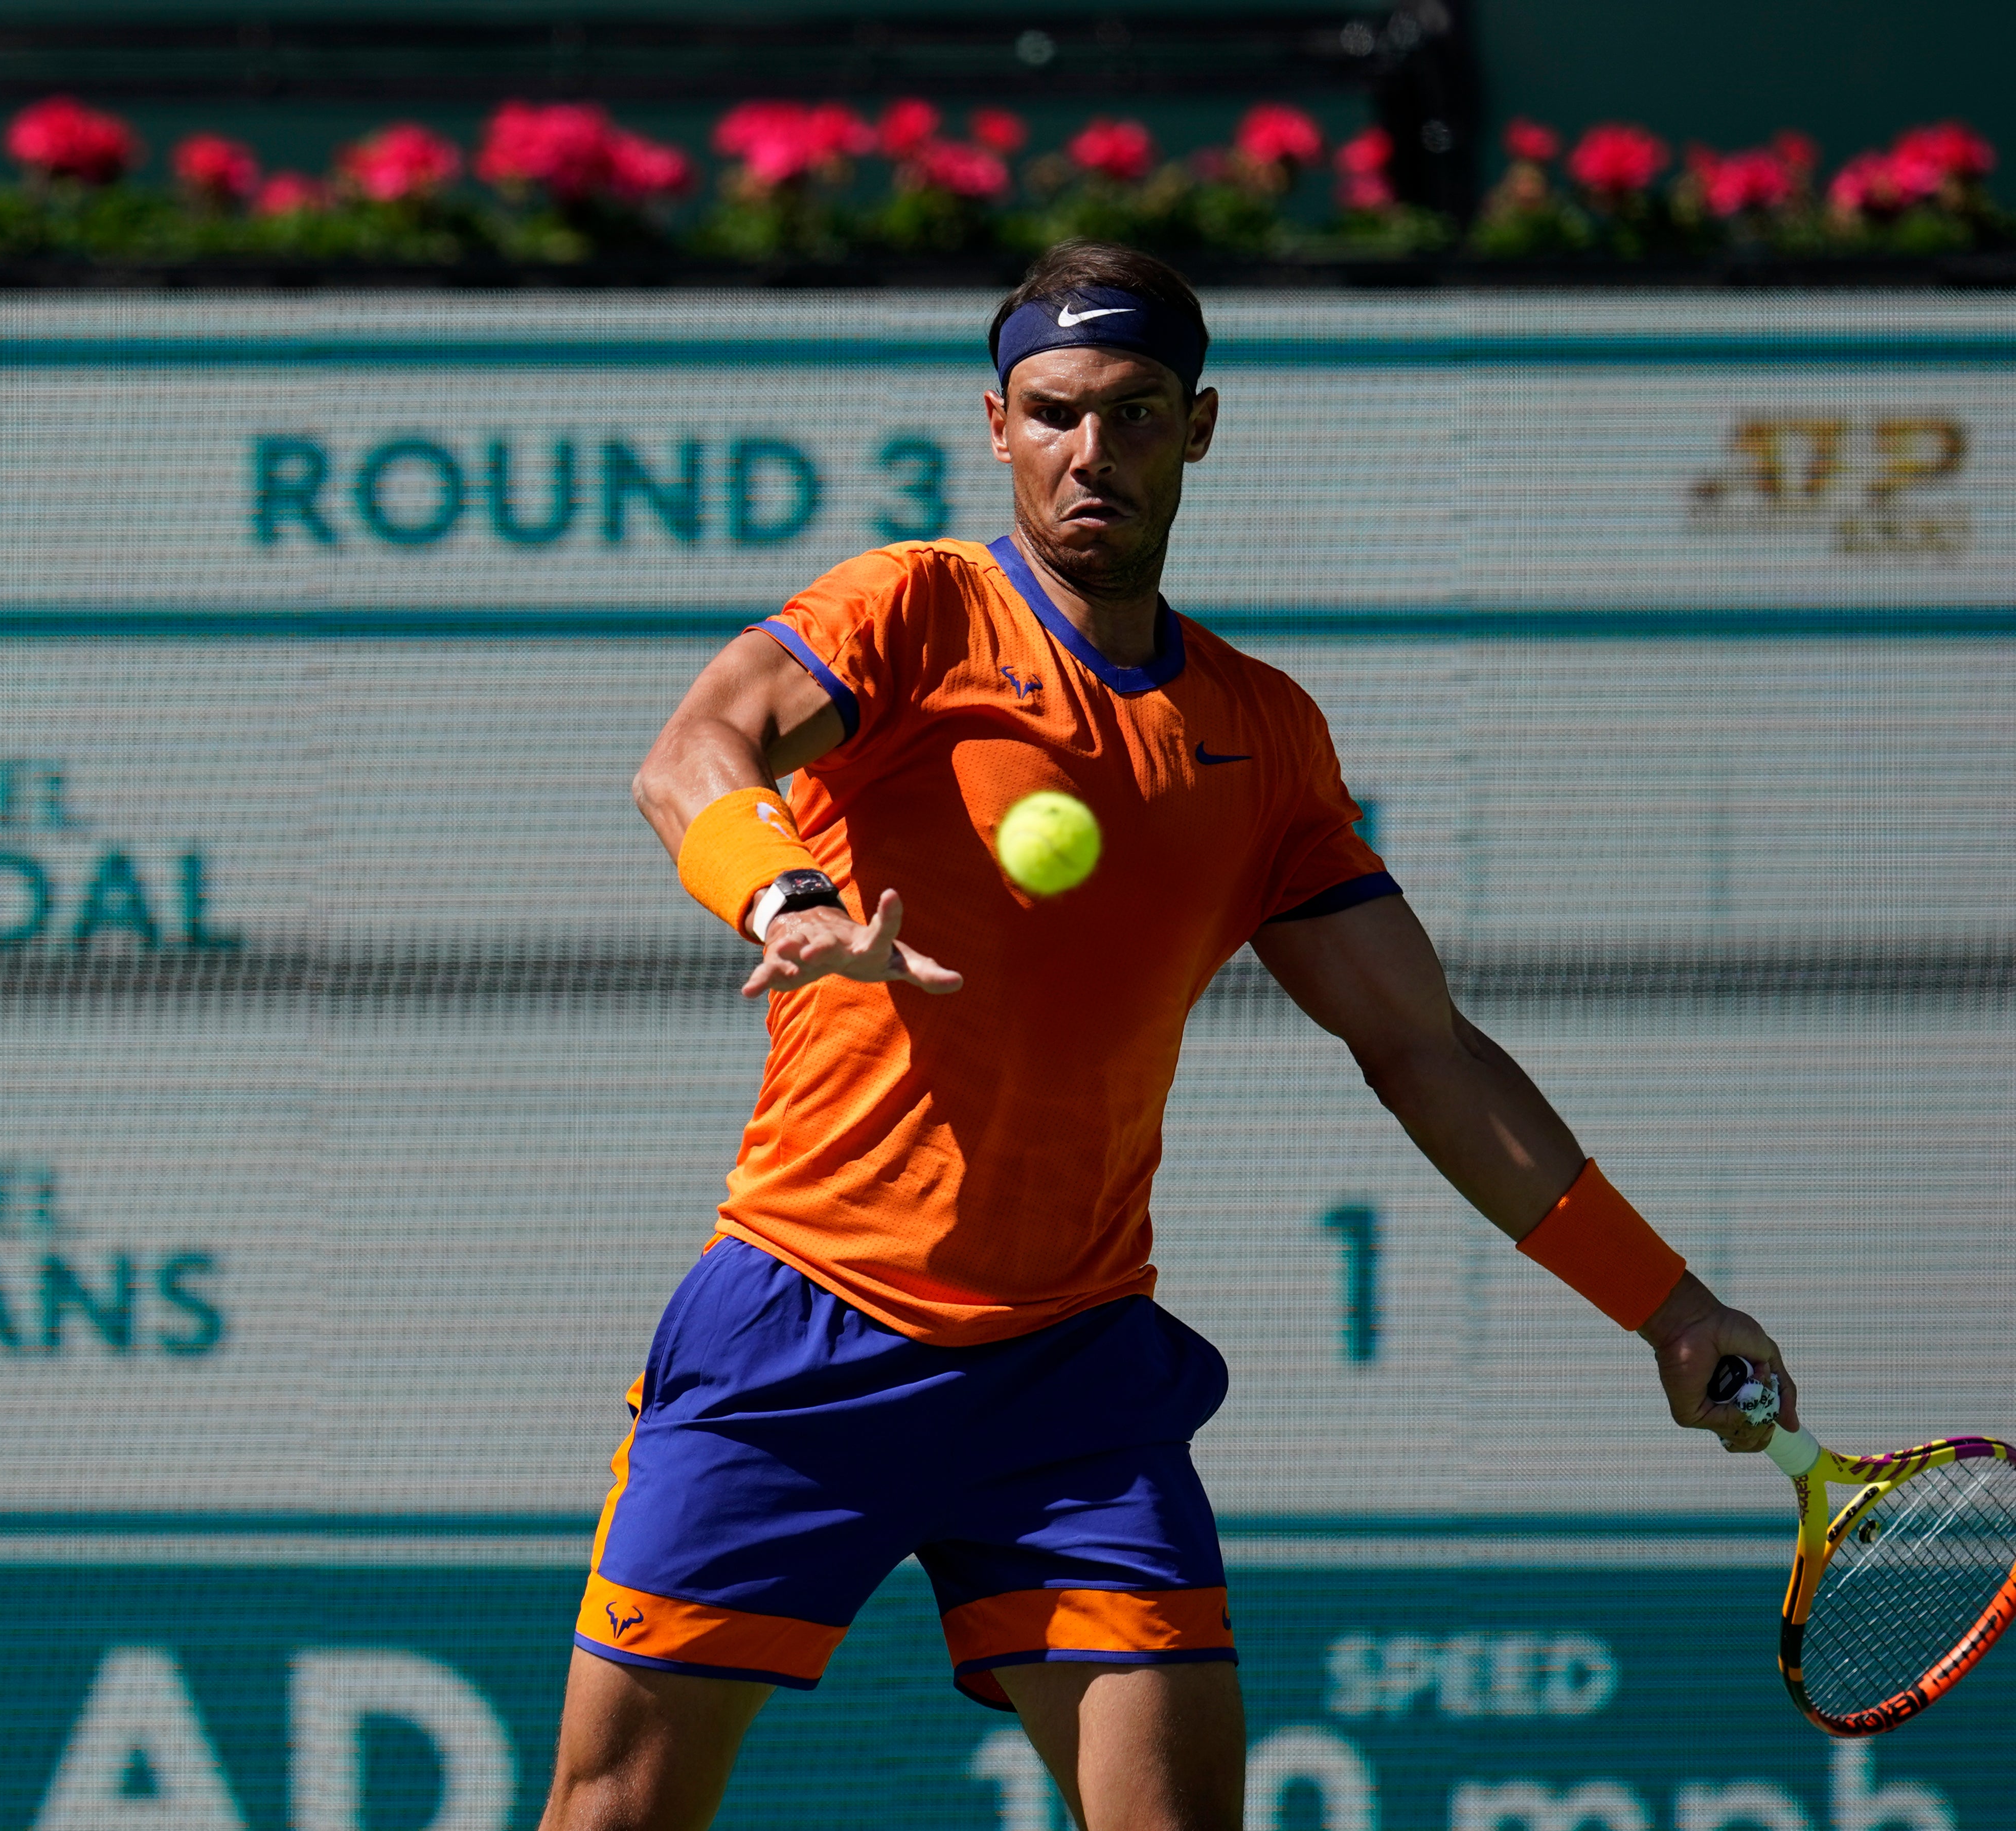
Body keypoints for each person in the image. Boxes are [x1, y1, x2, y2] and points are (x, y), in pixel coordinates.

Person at [539, 242, 1800, 1831]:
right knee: (615, 1815)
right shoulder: (910, 613)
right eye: (1054, 414)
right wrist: (781, 895)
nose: (1090, 455)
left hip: (1071, 1380)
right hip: (802, 1336)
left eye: (1133, 416)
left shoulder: (1263, 735)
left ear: (1197, 429)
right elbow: (693, 751)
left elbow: (1423, 1048)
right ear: (994, 424)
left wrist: (1665, 1304)